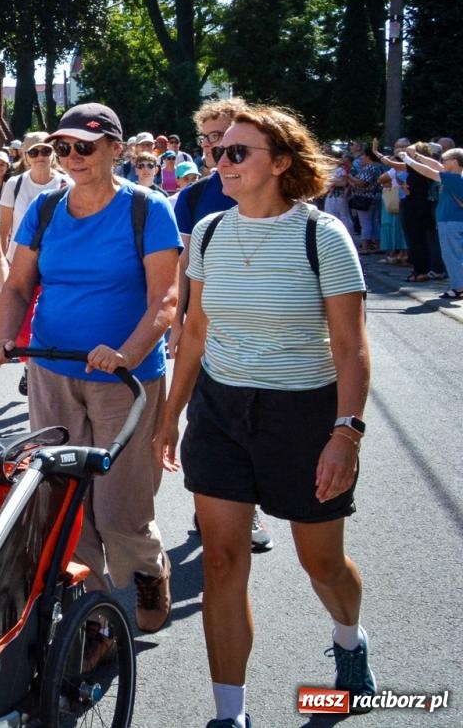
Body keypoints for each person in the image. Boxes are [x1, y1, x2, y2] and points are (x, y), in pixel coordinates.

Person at [151, 105, 374, 728]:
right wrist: (170, 416)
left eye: (237, 152)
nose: (221, 161)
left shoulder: (321, 236)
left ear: (281, 163)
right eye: (219, 151)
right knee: (222, 561)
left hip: (303, 414)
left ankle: (350, 642)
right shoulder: (211, 232)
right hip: (220, 410)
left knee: (320, 563)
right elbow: (195, 331)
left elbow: (351, 346)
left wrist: (345, 434)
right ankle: (231, 714)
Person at [0, 103, 181, 633]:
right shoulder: (44, 209)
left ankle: (145, 570)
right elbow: (19, 285)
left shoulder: (148, 209)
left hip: (124, 379)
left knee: (120, 507)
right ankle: (90, 614)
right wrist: (3, 338)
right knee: (68, 501)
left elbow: (166, 299)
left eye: (84, 147)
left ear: (116, 149)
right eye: (63, 147)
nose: (72, 157)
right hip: (53, 370)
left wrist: (126, 353)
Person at [170, 97, 273, 553]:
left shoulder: (275, 190)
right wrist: (177, 320)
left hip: (264, 329)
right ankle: (215, 504)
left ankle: (249, 507)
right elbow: (185, 263)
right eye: (209, 139)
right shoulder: (192, 197)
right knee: (207, 415)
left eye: (226, 138)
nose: (217, 148)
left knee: (254, 416)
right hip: (205, 327)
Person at [395, 146, 463, 298]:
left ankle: (458, 288)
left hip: (450, 221)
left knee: (451, 255)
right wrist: (417, 155)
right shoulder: (457, 176)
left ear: (454, 162)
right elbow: (435, 165)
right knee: (457, 254)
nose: (442, 162)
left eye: (445, 160)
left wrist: (407, 159)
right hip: (455, 221)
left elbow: (428, 171)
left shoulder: (451, 178)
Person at [0, 130, 68, 263]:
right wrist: (2, 264)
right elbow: (3, 230)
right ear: (26, 157)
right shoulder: (14, 184)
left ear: (53, 154)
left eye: (46, 151)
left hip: (54, 262)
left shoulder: (67, 184)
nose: (40, 157)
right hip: (17, 262)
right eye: (33, 153)